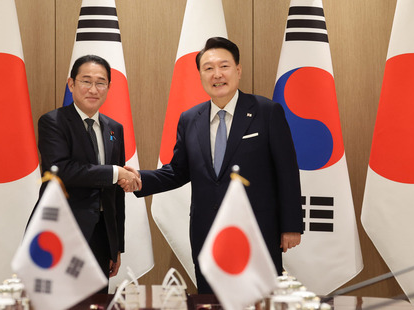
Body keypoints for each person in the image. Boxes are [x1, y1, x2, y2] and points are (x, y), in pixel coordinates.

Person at [124, 37, 303, 294]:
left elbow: (287, 171)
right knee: (211, 300)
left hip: (257, 233)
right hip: (207, 233)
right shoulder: (190, 119)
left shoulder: (267, 111)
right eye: (208, 68)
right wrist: (140, 178)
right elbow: (178, 170)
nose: (216, 74)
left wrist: (291, 226)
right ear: (200, 75)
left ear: (238, 70)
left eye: (224, 66)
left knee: (259, 300)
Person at [37, 55, 140, 292]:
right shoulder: (53, 122)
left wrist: (116, 245)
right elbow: (61, 170)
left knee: (96, 301)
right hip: (62, 233)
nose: (93, 89)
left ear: (108, 87)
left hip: (102, 236)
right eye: (86, 81)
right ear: (71, 84)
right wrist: (116, 172)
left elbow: (116, 193)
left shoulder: (114, 129)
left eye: (101, 82)